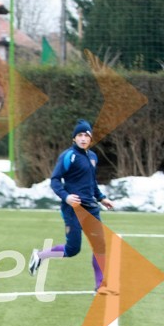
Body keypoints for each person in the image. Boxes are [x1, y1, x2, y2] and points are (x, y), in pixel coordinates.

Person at [28, 119, 114, 292]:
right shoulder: (68, 156)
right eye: (79, 135)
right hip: (72, 209)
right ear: (74, 139)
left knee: (100, 246)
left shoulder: (92, 157)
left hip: (91, 208)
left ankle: (100, 285)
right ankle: (41, 255)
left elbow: (91, 182)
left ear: (90, 138)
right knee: (73, 249)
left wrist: (101, 198)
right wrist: (66, 197)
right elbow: (55, 180)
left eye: (86, 135)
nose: (83, 138)